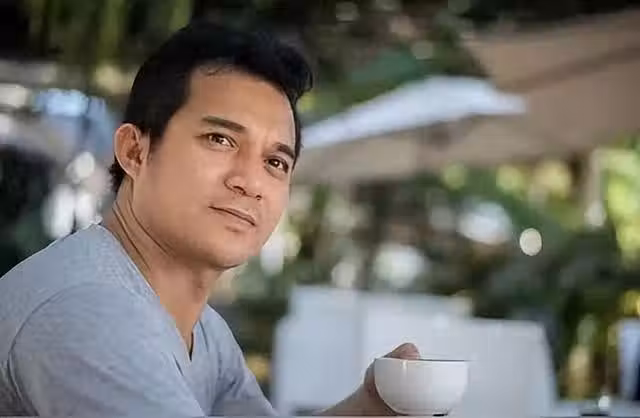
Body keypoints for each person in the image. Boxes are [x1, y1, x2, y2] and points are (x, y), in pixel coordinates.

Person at [0, 20, 420, 416]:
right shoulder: (89, 313)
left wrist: (370, 407)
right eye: (220, 139)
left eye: (275, 162)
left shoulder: (203, 331)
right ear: (134, 152)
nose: (250, 182)